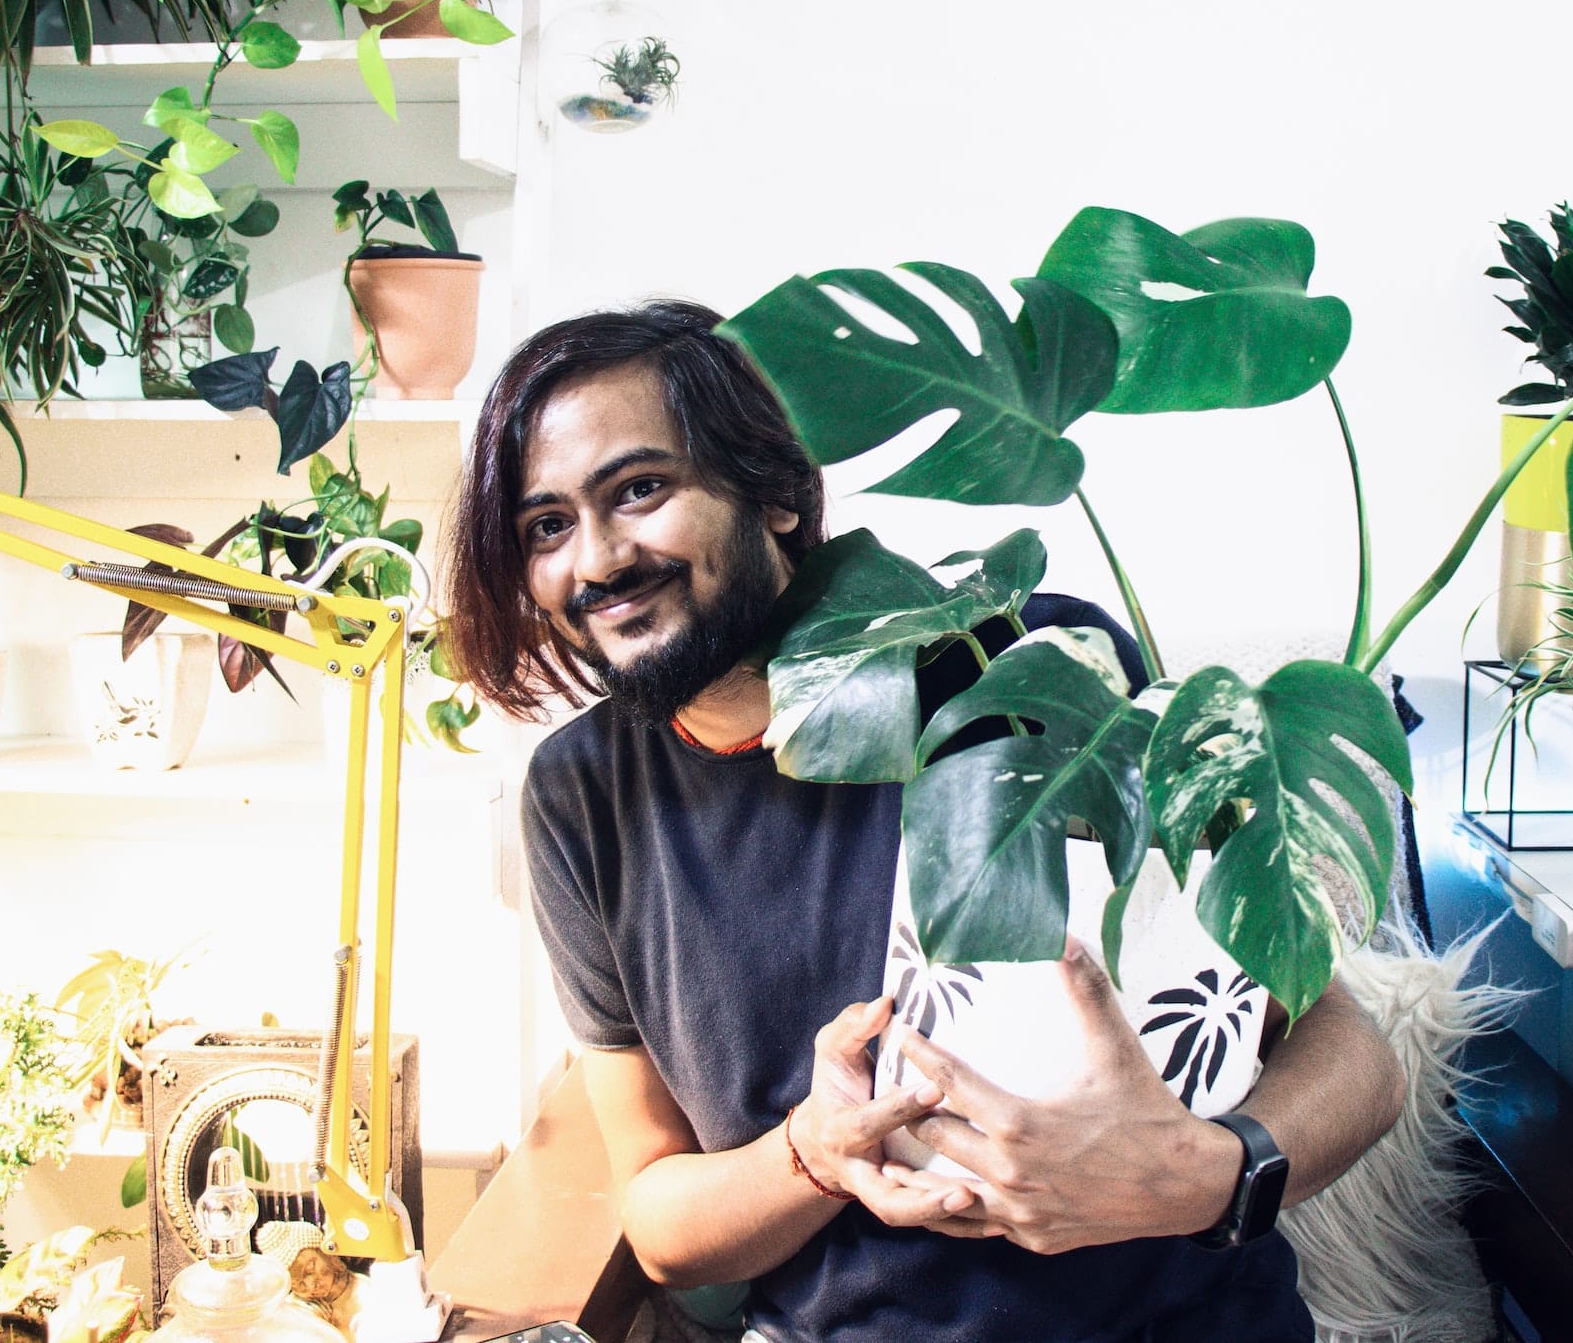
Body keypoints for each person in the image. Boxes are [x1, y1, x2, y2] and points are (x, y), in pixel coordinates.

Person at [444, 301, 1405, 1342]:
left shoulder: (1034, 666)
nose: (594, 561)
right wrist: (812, 1154)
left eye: (638, 489)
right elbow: (658, 1212)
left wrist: (1203, 1176)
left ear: (770, 493)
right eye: (546, 524)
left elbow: (1345, 1049)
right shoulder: (580, 795)